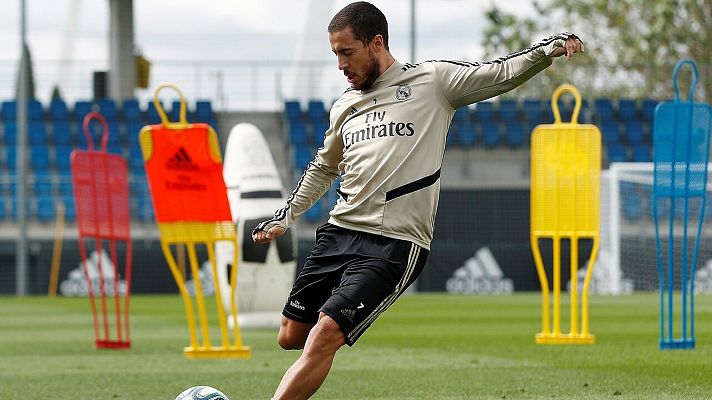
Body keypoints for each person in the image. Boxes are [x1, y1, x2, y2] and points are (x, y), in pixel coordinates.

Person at [252, 2, 584, 399]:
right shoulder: (344, 105)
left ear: (376, 44)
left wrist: (548, 48)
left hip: (393, 243)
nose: (340, 64)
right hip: (339, 233)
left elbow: (499, 74)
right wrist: (285, 218)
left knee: (325, 334)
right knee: (290, 336)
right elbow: (324, 167)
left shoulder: (432, 82)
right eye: (335, 54)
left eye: (347, 52)